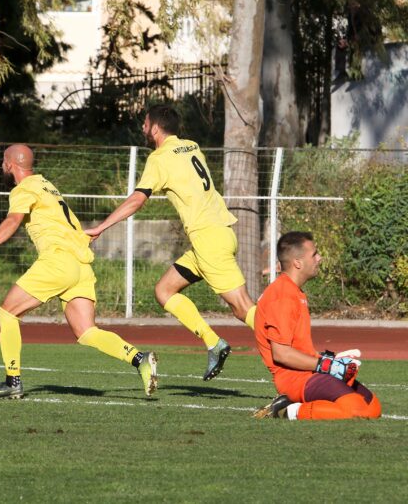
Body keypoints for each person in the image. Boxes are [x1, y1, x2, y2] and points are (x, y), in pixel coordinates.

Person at [0, 144, 157, 399]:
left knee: (7, 313)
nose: (2, 165)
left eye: (3, 161)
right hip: (80, 264)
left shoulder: (24, 188)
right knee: (87, 332)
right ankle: (140, 359)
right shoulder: (47, 186)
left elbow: (13, 220)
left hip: (58, 261)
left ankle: (12, 382)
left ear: (10, 164)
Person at [85, 104, 255, 381]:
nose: (142, 128)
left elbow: (137, 199)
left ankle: (296, 349)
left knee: (242, 308)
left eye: (144, 123)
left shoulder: (159, 158)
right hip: (217, 235)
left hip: (209, 240)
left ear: (154, 128)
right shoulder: (191, 146)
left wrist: (102, 226)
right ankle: (214, 343)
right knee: (164, 290)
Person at [253, 231, 381, 420]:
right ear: (298, 263)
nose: (319, 258)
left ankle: (300, 407)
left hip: (310, 371)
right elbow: (281, 354)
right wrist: (328, 365)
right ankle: (287, 410)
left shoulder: (293, 291)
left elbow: (298, 347)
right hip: (295, 379)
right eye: (314, 254)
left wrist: (330, 359)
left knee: (372, 407)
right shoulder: (282, 295)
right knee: (357, 411)